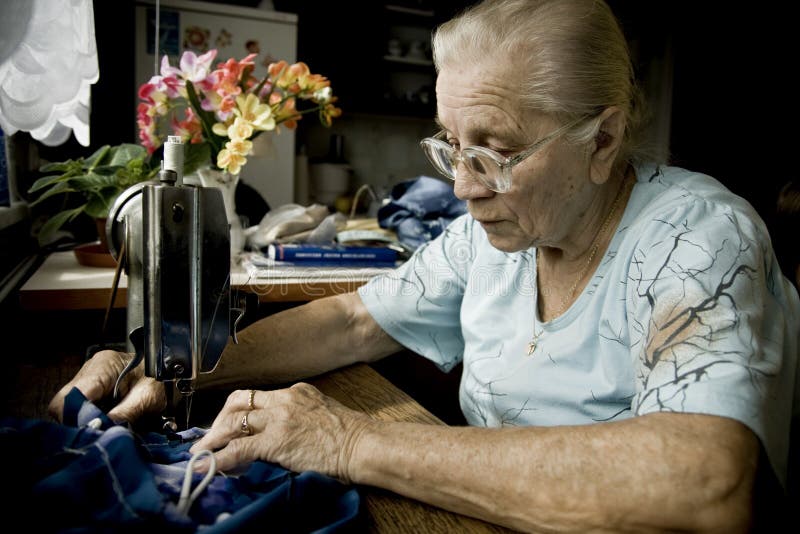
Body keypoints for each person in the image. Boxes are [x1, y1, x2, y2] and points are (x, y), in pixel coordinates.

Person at [49, 0, 800, 531]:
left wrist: (350, 442)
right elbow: (352, 320)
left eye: (495, 152)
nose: (464, 187)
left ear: (602, 141)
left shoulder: (696, 236)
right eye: (451, 146)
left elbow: (707, 482)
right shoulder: (496, 237)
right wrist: (173, 364)